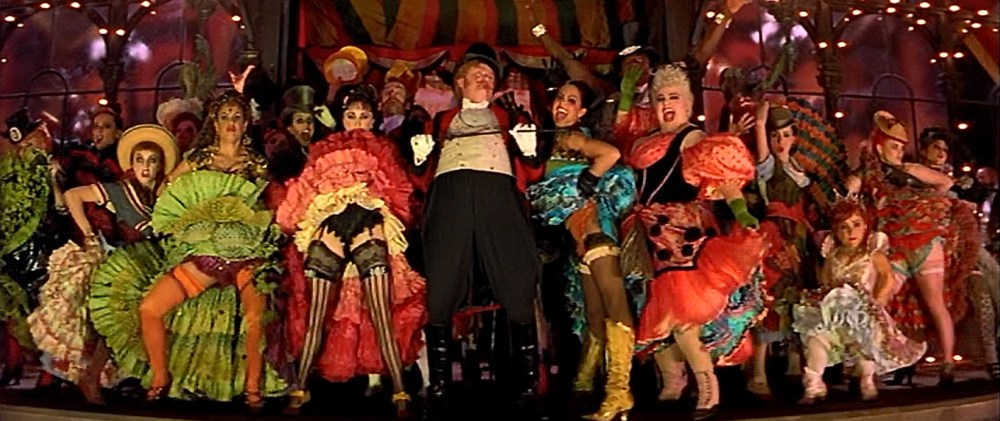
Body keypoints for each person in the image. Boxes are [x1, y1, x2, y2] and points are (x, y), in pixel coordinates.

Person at [89, 91, 287, 407]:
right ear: (215, 123)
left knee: (255, 316)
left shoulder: (256, 162)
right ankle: (159, 377)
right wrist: (186, 212)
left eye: (237, 117)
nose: (231, 123)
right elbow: (167, 186)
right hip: (205, 253)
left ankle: (253, 387)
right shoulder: (200, 158)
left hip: (247, 252)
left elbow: (274, 201)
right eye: (225, 117)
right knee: (150, 308)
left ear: (245, 123)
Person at [622, 64, 766, 421]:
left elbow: (725, 178)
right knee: (651, 311)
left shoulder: (692, 138)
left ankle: (707, 386)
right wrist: (625, 95)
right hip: (645, 234)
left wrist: (740, 210)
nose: (666, 104)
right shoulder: (641, 142)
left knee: (681, 312)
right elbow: (620, 138)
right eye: (660, 98)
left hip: (680, 234)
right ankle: (673, 381)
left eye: (673, 98)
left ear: (687, 104)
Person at [408, 43, 544, 416]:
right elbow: (421, 180)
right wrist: (419, 157)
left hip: (497, 196)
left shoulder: (509, 117)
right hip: (450, 198)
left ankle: (527, 385)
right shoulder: (440, 121)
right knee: (442, 283)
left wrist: (529, 150)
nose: (485, 80)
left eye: (490, 76)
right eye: (477, 75)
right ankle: (439, 386)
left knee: (516, 281)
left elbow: (533, 172)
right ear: (460, 83)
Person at [277, 85, 426, 417]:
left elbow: (399, 192)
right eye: (351, 115)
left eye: (363, 116)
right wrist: (297, 217)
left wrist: (374, 202)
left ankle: (399, 390)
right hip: (330, 222)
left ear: (373, 119)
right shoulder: (324, 148)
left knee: (380, 312)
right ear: (342, 118)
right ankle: (301, 387)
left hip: (368, 221)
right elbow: (304, 190)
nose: (357, 122)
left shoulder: (384, 148)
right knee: (316, 312)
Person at [28, 125, 179, 404]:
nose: (145, 167)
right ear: (132, 164)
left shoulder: (165, 194)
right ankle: (91, 375)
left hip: (156, 265)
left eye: (152, 160)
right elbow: (73, 196)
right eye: (139, 160)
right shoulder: (121, 191)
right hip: (124, 267)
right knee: (115, 321)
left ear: (160, 165)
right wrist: (89, 235)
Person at [525, 81, 636, 421]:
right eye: (559, 97)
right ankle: (586, 384)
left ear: (582, 111)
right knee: (595, 316)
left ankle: (619, 393)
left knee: (615, 307)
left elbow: (611, 154)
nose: (562, 104)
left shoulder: (573, 138)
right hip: (581, 242)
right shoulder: (553, 139)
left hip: (596, 232)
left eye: (571, 101)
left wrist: (589, 179)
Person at [846, 111, 979, 385]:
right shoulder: (870, 174)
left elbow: (945, 182)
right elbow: (849, 191)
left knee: (935, 302)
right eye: (893, 146)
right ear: (880, 147)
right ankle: (870, 364)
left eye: (901, 147)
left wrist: (925, 207)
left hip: (923, 242)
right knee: (878, 300)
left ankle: (947, 364)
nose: (898, 152)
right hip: (893, 248)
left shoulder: (909, 170)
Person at [793, 199, 926, 403]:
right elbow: (826, 281)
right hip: (834, 311)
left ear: (865, 226)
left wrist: (878, 301)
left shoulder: (871, 254)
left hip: (861, 310)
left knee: (864, 344)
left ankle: (866, 381)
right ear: (835, 231)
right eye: (843, 227)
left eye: (856, 225)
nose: (850, 232)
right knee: (816, 339)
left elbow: (887, 277)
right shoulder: (833, 254)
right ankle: (814, 382)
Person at [746, 103, 816, 398]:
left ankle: (795, 360)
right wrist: (760, 123)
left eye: (786, 135)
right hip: (774, 237)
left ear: (794, 137)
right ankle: (758, 371)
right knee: (771, 297)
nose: (781, 141)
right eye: (775, 135)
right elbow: (763, 153)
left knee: (797, 297)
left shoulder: (797, 168)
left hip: (797, 239)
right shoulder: (768, 166)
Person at [0, 109, 64, 388]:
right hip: (13, 246)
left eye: (33, 142)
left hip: (45, 246)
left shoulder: (56, 166)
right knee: (13, 307)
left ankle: (49, 370)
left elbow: (60, 209)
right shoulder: (8, 171)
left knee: (45, 307)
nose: (29, 148)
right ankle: (15, 363)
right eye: (24, 144)